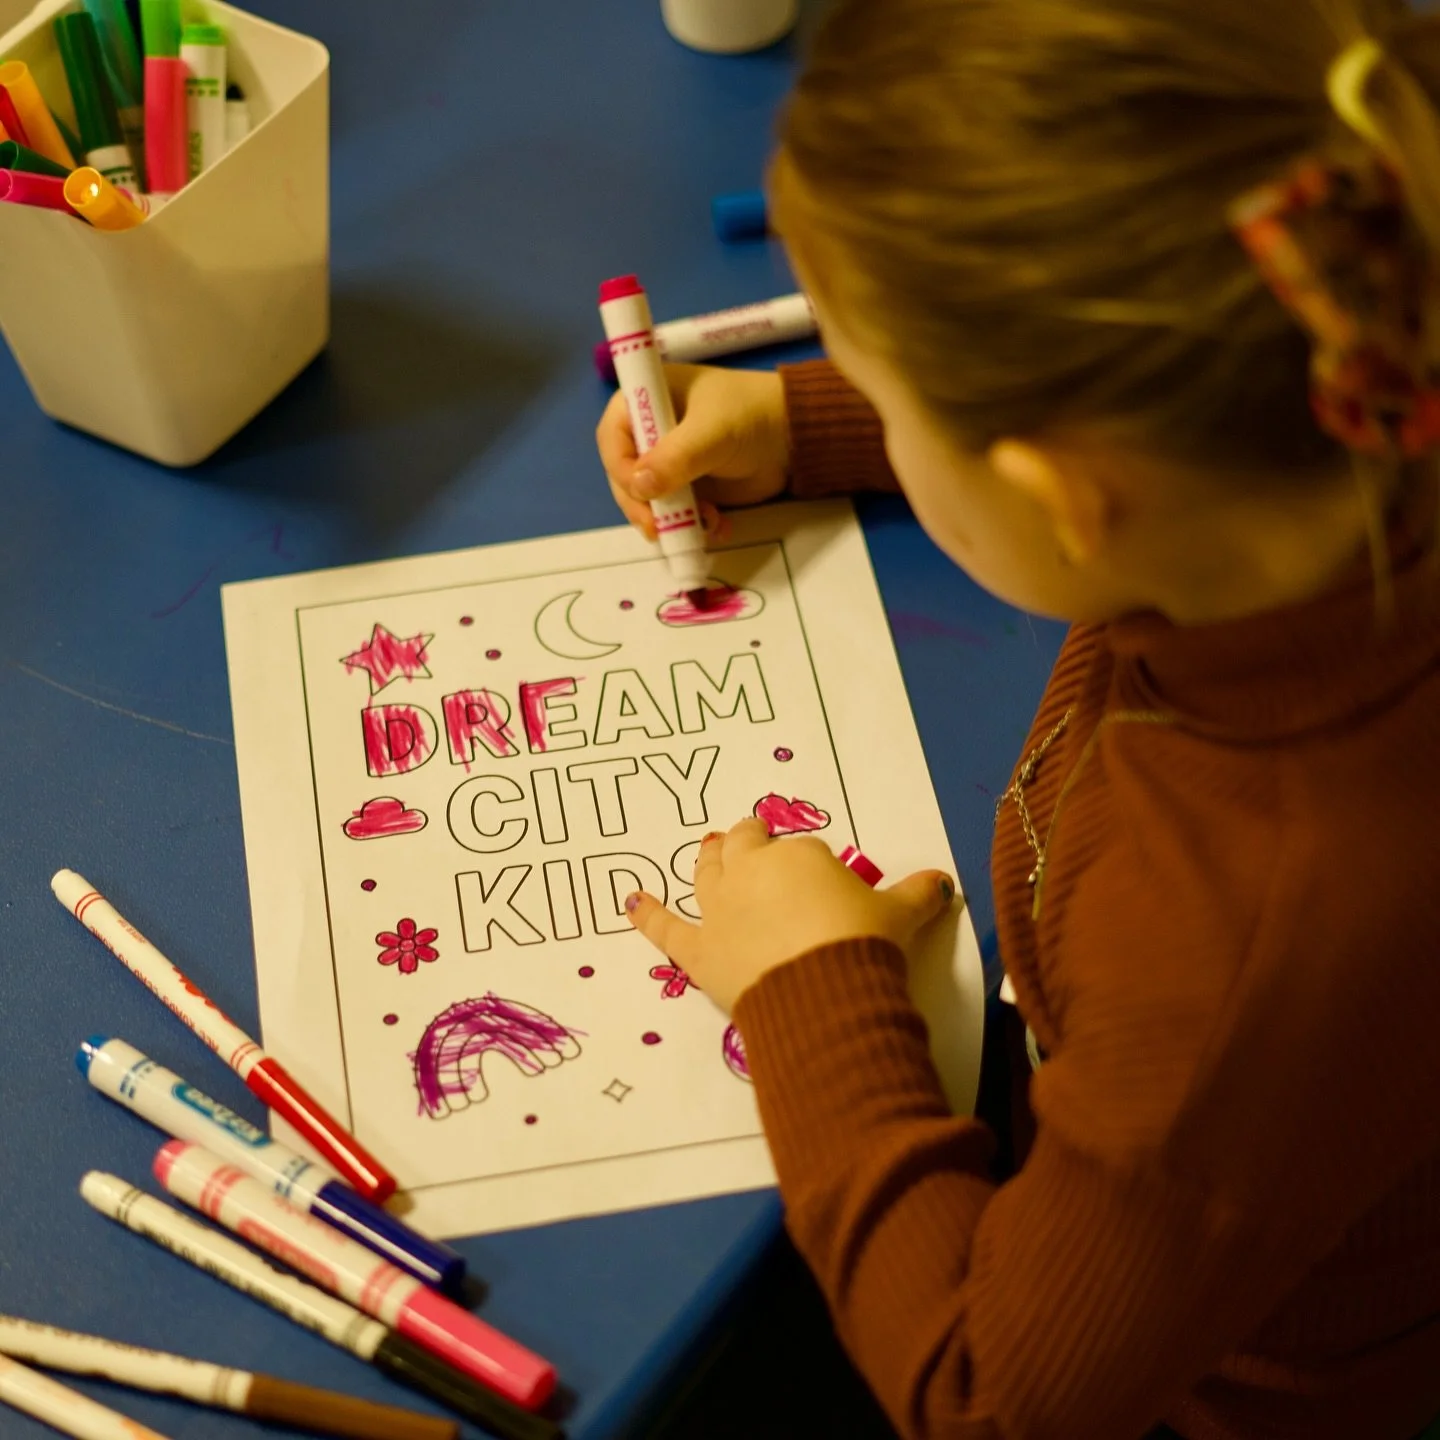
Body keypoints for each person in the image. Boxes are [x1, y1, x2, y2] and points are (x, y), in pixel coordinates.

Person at [596, 1, 1440, 1436]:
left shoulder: (1239, 951)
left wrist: (810, 989)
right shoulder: (1370, 366)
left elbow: (986, 1399)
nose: (863, 400)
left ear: (1063, 490)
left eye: (887, 392)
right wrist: (807, 423)